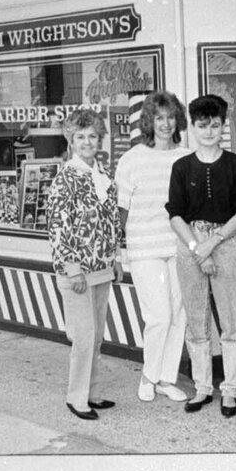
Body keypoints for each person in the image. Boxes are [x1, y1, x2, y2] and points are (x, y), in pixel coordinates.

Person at [166, 94, 236, 418]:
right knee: (196, 321)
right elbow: (175, 214)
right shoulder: (181, 167)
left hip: (227, 242)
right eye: (202, 125)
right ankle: (202, 387)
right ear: (192, 126)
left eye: (214, 125)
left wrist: (214, 241)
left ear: (223, 126)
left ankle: (230, 390)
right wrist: (197, 248)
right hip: (189, 242)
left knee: (231, 322)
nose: (208, 131)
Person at [45, 108, 124, 421]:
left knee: (96, 336)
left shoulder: (101, 174)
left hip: (102, 267)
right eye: (81, 136)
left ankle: (93, 392)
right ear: (71, 141)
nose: (87, 141)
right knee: (83, 336)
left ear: (99, 139)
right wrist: (72, 267)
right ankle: (76, 398)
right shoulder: (66, 178)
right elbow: (57, 227)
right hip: (77, 271)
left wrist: (115, 257)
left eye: (92, 136)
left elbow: (110, 222)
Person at [115, 91, 191, 404]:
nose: (165, 123)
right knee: (159, 315)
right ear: (149, 121)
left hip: (178, 247)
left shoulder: (186, 157)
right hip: (144, 249)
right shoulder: (132, 158)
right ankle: (148, 375)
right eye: (159, 117)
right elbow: (120, 209)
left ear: (178, 121)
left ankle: (165, 379)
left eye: (170, 117)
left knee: (178, 315)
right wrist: (116, 252)